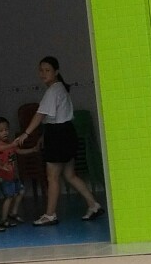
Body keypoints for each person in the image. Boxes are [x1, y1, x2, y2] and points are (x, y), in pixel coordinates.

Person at [18, 55, 102, 225]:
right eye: (41, 70)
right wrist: (43, 136)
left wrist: (26, 134)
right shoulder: (60, 88)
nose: (43, 73)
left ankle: (50, 215)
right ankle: (94, 205)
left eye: (47, 70)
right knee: (69, 175)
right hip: (65, 132)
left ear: (56, 72)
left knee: (53, 177)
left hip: (58, 136)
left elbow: (40, 115)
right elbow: (55, 117)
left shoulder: (53, 91)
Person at [0, 116, 22, 230]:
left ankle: (12, 213)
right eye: (1, 130)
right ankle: (3, 219)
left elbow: (18, 151)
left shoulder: (9, 143)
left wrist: (33, 150)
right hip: (4, 176)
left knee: (20, 191)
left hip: (12, 175)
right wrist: (3, 167)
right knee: (9, 196)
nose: (5, 132)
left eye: (6, 129)